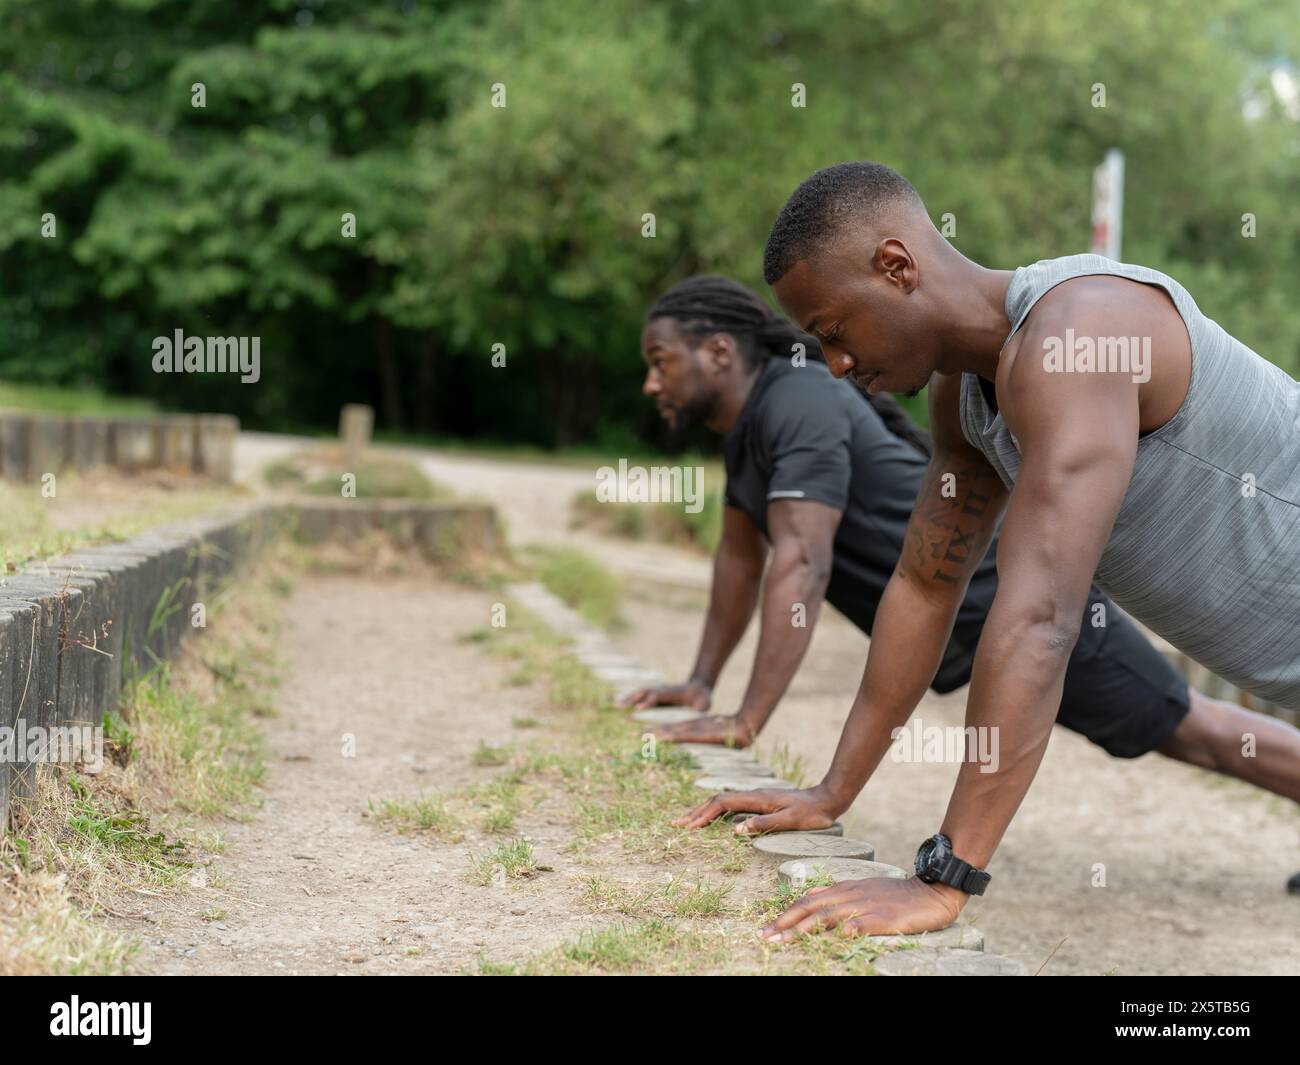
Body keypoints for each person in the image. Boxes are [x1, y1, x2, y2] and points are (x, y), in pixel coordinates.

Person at [689, 162, 1298, 941]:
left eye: (834, 331)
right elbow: (924, 584)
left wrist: (945, 877)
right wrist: (830, 792)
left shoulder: (1081, 335)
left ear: (897, 265)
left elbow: (1043, 618)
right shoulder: (967, 396)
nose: (835, 365)